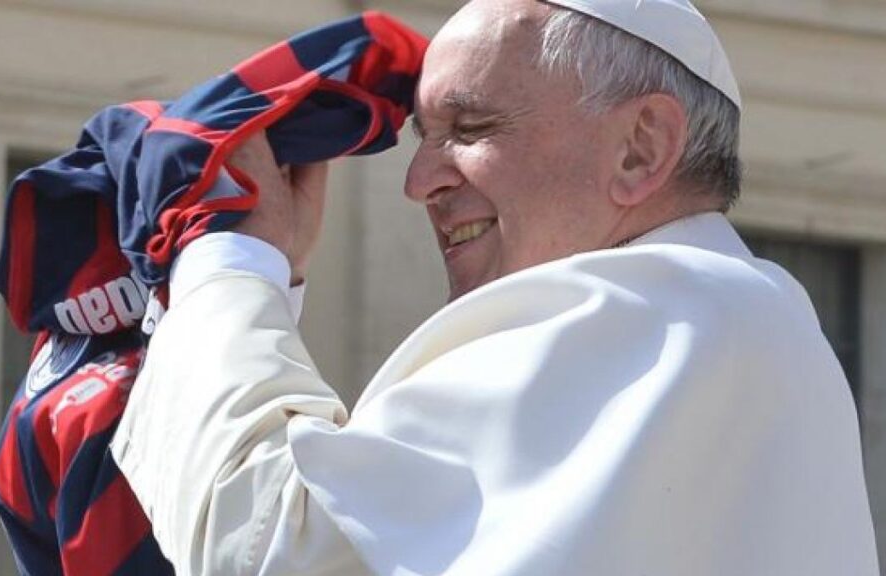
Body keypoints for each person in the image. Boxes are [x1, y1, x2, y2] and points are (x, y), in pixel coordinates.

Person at [110, 0, 881, 574]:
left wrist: (230, 259)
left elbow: (268, 544)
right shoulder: (741, 317)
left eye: (470, 129)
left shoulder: (656, 308)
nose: (418, 182)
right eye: (422, 138)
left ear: (641, 149)